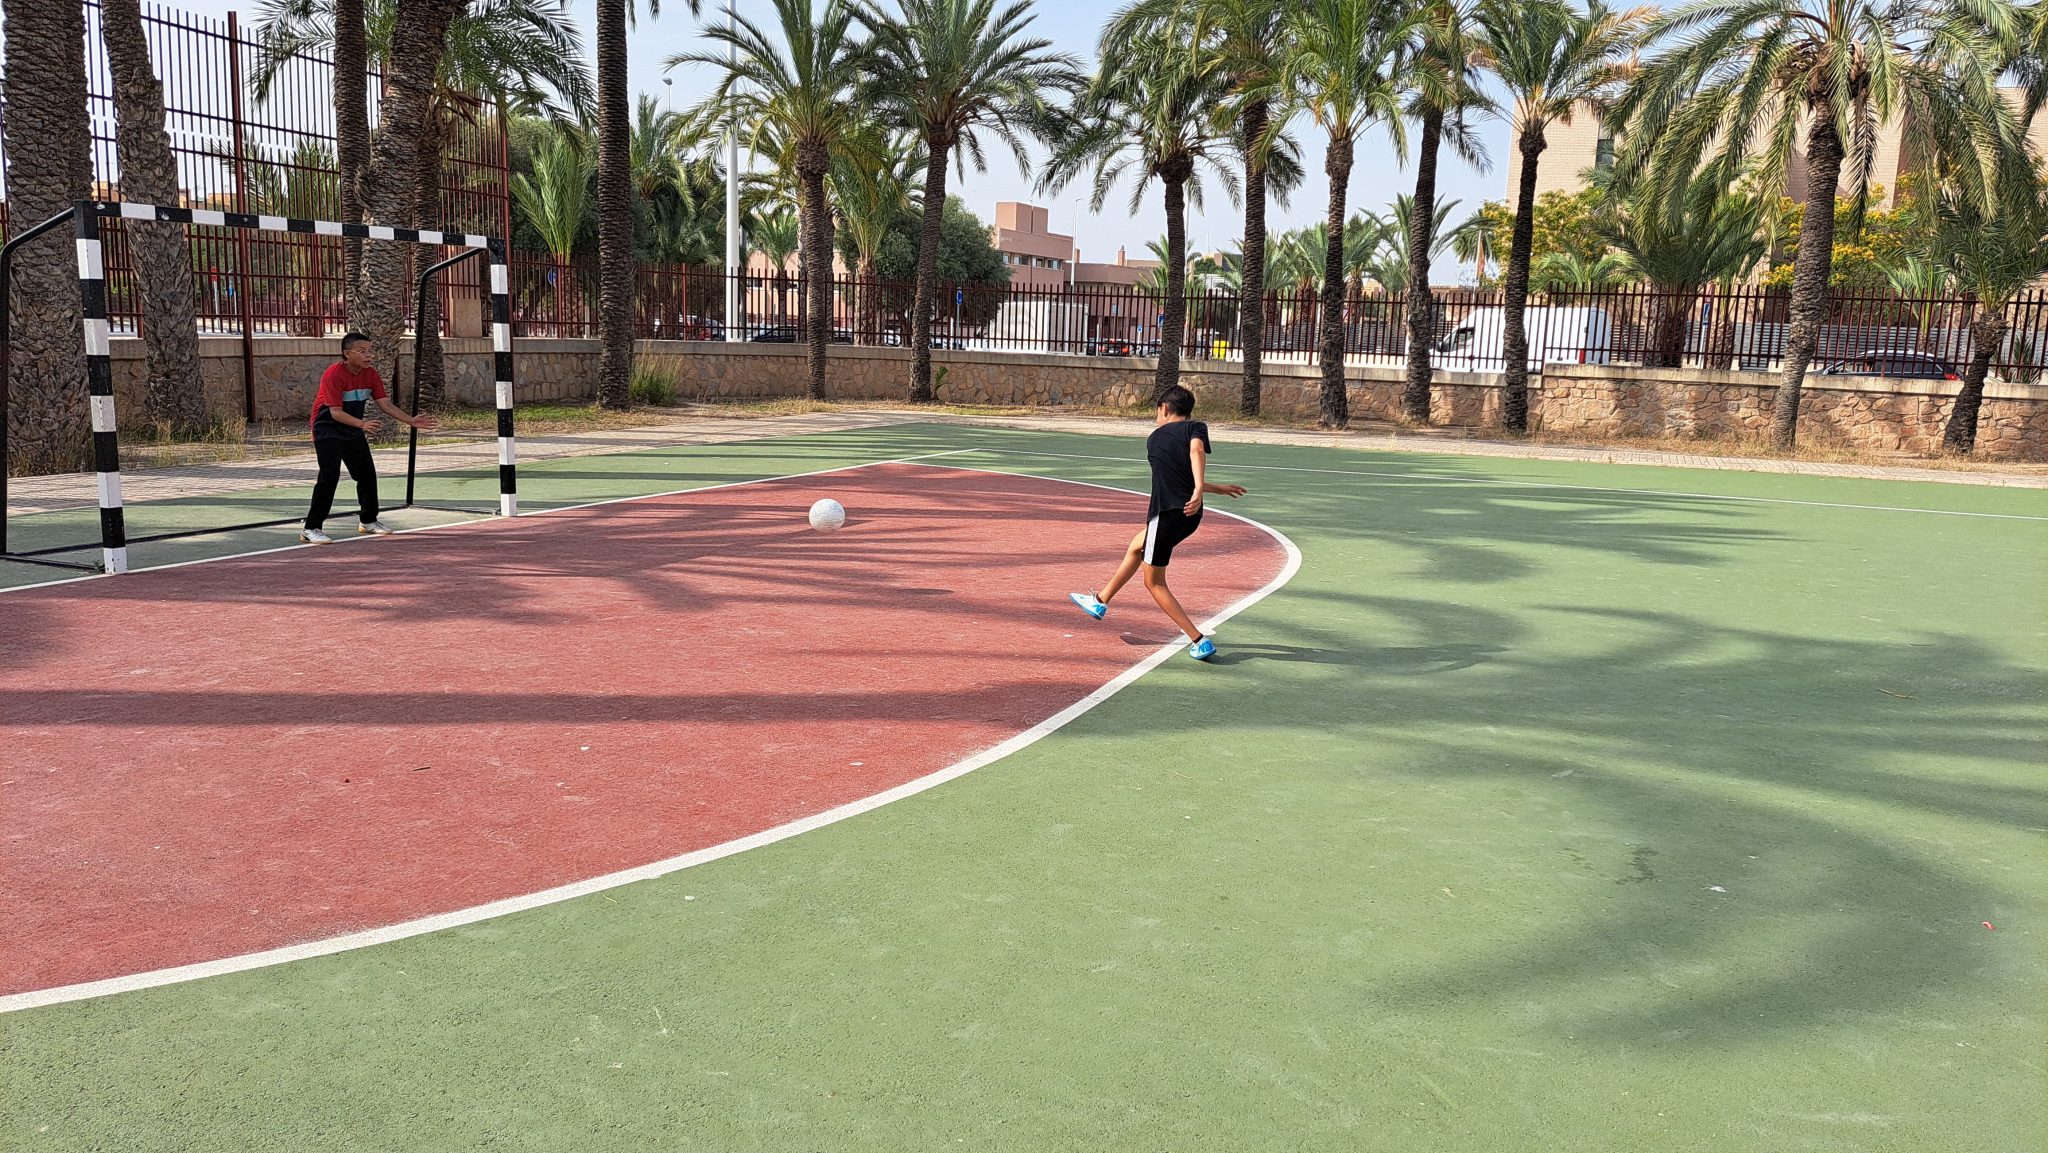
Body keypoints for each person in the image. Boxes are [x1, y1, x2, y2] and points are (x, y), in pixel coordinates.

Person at [1068, 385, 1247, 661]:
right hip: (1190, 516)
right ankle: (1100, 601)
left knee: (1154, 583)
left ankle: (1199, 640)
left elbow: (1196, 452)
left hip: (1166, 515)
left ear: (1164, 408)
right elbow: (1185, 473)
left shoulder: (1155, 439)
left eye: (1156, 411)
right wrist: (1211, 488)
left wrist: (1199, 487)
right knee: (1136, 546)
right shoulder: (1196, 427)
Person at [300, 332, 436, 543]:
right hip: (327, 429)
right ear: (347, 354)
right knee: (329, 476)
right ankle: (311, 528)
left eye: (370, 351)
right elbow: (335, 412)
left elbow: (385, 403)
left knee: (366, 475)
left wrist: (410, 420)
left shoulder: (370, 374)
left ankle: (368, 521)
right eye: (362, 351)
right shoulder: (334, 374)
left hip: (352, 429)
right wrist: (362, 424)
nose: (369, 355)